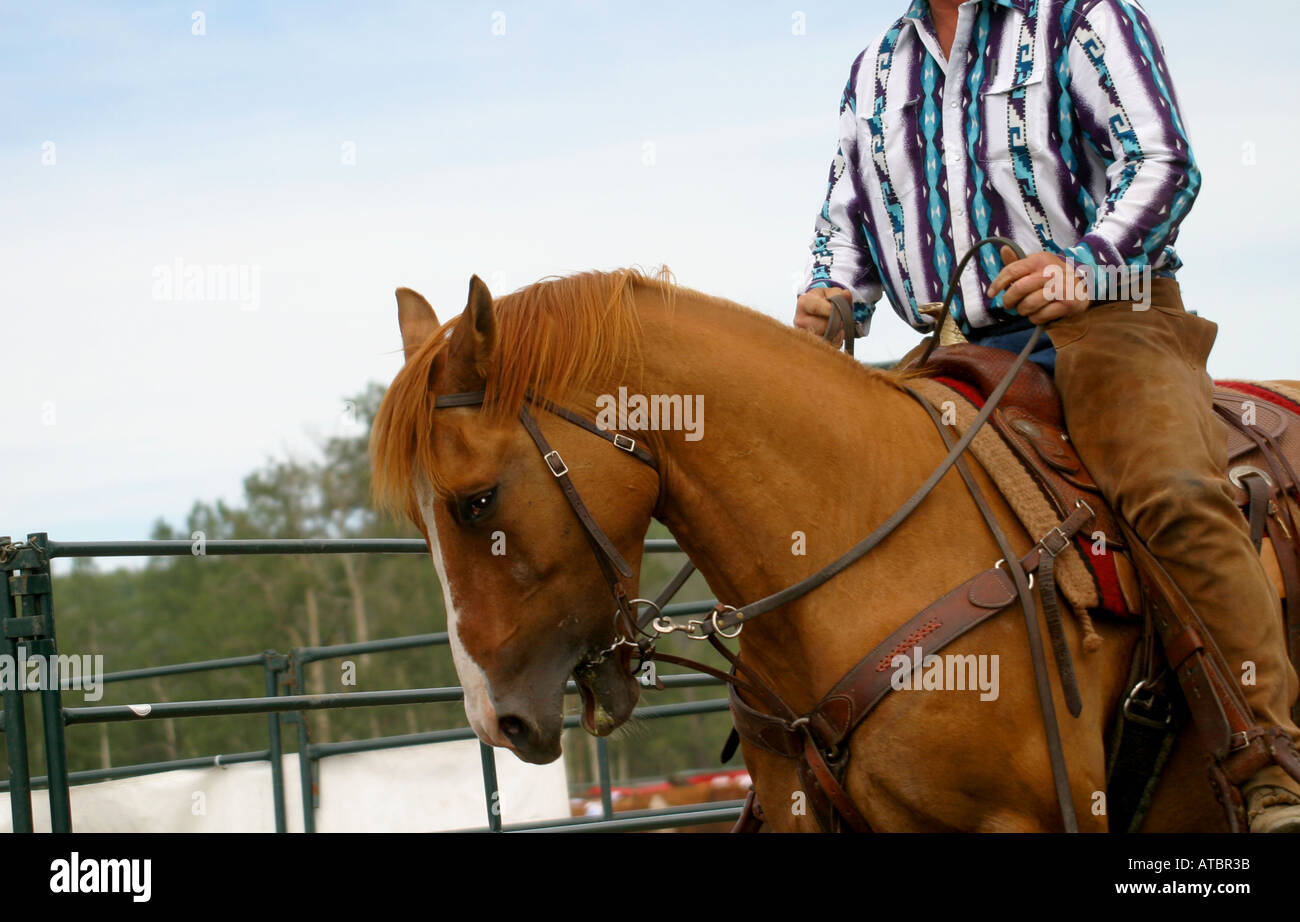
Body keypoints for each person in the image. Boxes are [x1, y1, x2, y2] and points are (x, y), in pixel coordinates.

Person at [794, 0, 1300, 833]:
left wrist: (1084, 267)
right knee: (843, 503)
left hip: (1112, 314)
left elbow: (1164, 162)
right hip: (955, 345)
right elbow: (845, 221)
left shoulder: (1079, 18)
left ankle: (1265, 758)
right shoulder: (877, 66)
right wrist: (834, 300)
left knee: (1172, 490)